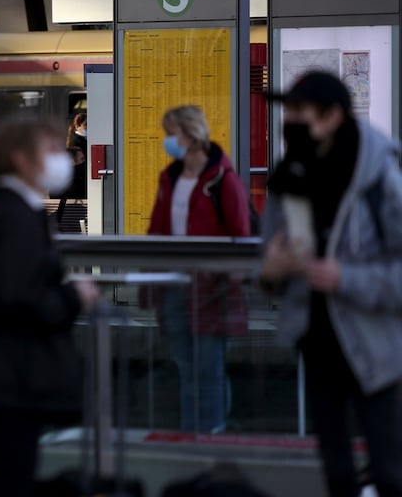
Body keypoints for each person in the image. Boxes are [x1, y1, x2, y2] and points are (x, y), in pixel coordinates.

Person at [259, 72, 402, 497]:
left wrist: (347, 278)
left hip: (376, 347)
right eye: (288, 111)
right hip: (316, 342)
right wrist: (272, 273)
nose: (291, 120)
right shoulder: (289, 176)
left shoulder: (381, 176)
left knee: (390, 473)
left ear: (332, 116)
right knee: (336, 473)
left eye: (300, 111)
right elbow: (266, 263)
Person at [0, 118, 97, 496]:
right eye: (52, 152)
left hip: (3, 371)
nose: (63, 160)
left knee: (0, 472)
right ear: (22, 159)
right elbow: (18, 298)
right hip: (14, 373)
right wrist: (76, 296)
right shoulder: (16, 215)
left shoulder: (6, 207)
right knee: (9, 475)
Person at [147, 105, 250, 434]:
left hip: (212, 289)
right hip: (175, 286)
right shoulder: (171, 177)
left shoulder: (223, 180)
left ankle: (212, 434)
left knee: (210, 368)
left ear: (191, 135)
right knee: (187, 368)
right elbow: (158, 229)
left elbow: (242, 234)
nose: (168, 141)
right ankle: (191, 434)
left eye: (171, 133)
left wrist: (228, 278)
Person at [55, 112, 88, 232]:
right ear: (77, 126)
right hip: (74, 198)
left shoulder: (79, 140)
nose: (88, 128)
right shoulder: (76, 144)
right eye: (86, 125)